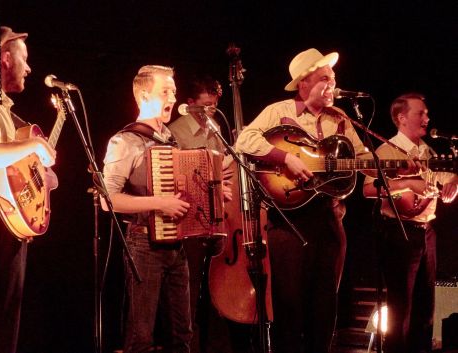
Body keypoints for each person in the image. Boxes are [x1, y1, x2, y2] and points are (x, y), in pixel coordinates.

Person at [235, 48, 371, 353]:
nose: (332, 84)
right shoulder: (278, 110)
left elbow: (363, 157)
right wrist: (286, 158)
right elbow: (244, 140)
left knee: (325, 305)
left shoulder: (341, 119)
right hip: (288, 221)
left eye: (333, 78)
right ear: (303, 84)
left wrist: (397, 167)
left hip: (328, 217)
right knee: (289, 305)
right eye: (325, 78)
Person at [102, 65, 201, 352]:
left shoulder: (171, 139)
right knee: (141, 336)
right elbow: (109, 200)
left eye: (174, 90)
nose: (173, 96)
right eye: (165, 91)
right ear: (145, 97)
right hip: (143, 244)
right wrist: (160, 203)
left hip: (177, 245)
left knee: (182, 335)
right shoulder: (125, 141)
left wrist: (211, 195)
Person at [363, 93, 458, 353]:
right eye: (421, 113)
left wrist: (453, 183)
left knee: (425, 307)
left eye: (427, 113)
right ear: (402, 118)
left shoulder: (427, 151)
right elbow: (368, 189)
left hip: (426, 231)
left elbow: (448, 176)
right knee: (400, 309)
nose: (427, 118)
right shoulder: (386, 150)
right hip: (398, 232)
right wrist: (405, 184)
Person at [0, 26, 56, 353]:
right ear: (3, 58)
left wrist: (40, 174)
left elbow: (12, 169)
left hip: (7, 223)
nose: (28, 68)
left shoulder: (4, 110)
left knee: (4, 326)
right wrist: (30, 146)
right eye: (22, 59)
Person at [169, 75, 243, 353]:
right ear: (189, 105)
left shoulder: (216, 127)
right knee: (189, 290)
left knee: (214, 289)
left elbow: (224, 167)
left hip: (217, 216)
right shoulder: (175, 131)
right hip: (190, 218)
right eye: (205, 106)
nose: (211, 111)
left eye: (214, 106)